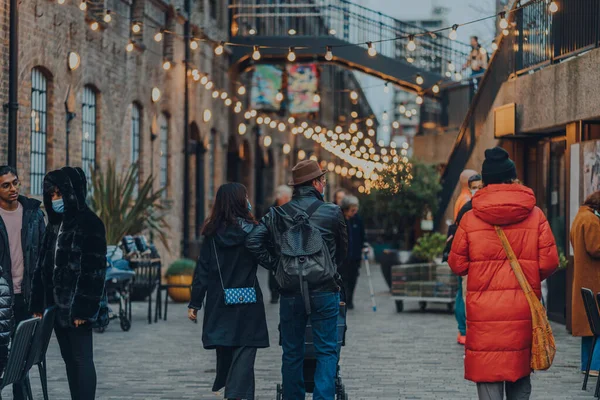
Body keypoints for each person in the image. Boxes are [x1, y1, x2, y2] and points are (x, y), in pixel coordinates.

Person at [448, 147, 558, 400]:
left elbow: (457, 264)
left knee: (488, 371)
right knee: (519, 370)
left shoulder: (470, 217)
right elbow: (550, 261)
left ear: (485, 180)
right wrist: (528, 276)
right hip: (522, 308)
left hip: (483, 310)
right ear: (512, 177)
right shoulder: (535, 214)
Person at [246, 159, 348, 400]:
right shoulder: (332, 212)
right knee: (326, 351)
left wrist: (277, 265)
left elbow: (252, 242)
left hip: (290, 291)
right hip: (324, 289)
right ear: (314, 183)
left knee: (292, 352)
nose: (324, 184)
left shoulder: (277, 214)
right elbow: (343, 250)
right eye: (322, 180)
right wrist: (329, 267)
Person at [30, 167, 107, 400]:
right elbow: (42, 267)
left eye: (59, 193)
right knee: (69, 361)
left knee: (82, 360)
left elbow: (94, 271)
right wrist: (38, 305)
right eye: (51, 194)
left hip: (77, 309)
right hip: (56, 308)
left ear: (72, 192)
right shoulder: (55, 225)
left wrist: (83, 308)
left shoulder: (90, 223)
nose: (55, 199)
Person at [188, 183, 269, 400]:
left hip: (220, 302)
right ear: (240, 202)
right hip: (248, 301)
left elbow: (202, 269)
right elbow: (269, 259)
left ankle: (235, 393)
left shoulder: (212, 233)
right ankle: (234, 395)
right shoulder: (254, 231)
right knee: (245, 353)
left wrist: (195, 302)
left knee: (229, 352)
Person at [0, 166, 45, 400]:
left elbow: (45, 258)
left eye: (15, 182)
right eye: (5, 185)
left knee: (24, 355)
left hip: (26, 296)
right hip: (1, 298)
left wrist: (40, 300)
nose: (13, 189)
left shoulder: (34, 214)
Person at [443, 173, 483, 345]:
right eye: (475, 187)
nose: (477, 190)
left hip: (469, 257)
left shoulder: (465, 201)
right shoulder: (466, 204)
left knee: (463, 293)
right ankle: (463, 330)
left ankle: (464, 330)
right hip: (468, 257)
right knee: (464, 293)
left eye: (480, 187)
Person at [570, 191, 600, 376]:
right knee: (597, 326)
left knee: (589, 328)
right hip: (594, 280)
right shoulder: (591, 220)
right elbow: (596, 248)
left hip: (586, 279)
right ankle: (595, 366)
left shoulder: (581, 216)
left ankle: (586, 365)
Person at [339, 195, 365, 310]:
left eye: (355, 210)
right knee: (343, 280)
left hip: (355, 256)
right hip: (343, 258)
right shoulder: (339, 220)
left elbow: (362, 235)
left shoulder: (357, 219)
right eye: (352, 210)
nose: (354, 212)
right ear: (345, 209)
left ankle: (349, 301)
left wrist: (364, 246)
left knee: (353, 279)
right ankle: (343, 301)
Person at [268, 185, 293, 304]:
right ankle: (274, 293)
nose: (289, 200)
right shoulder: (271, 210)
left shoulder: (290, 210)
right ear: (280, 197)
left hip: (287, 245)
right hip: (274, 246)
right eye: (287, 197)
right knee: (274, 271)